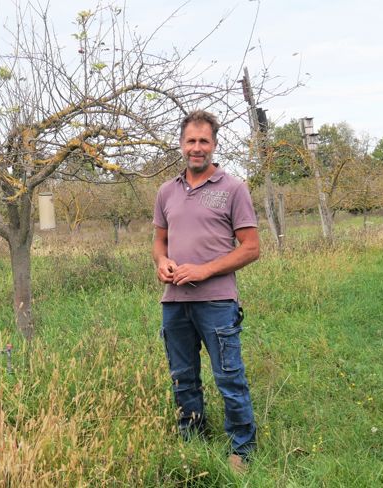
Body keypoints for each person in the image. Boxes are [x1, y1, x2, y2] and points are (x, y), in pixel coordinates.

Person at [152, 110, 260, 473]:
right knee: (183, 377)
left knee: (228, 375)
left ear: (214, 145)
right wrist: (162, 262)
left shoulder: (233, 188)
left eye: (204, 141)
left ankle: (242, 447)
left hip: (217, 302)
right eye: (190, 141)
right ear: (181, 144)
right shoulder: (166, 191)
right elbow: (159, 241)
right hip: (174, 303)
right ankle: (192, 439)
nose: (197, 148)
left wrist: (203, 270)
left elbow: (250, 247)